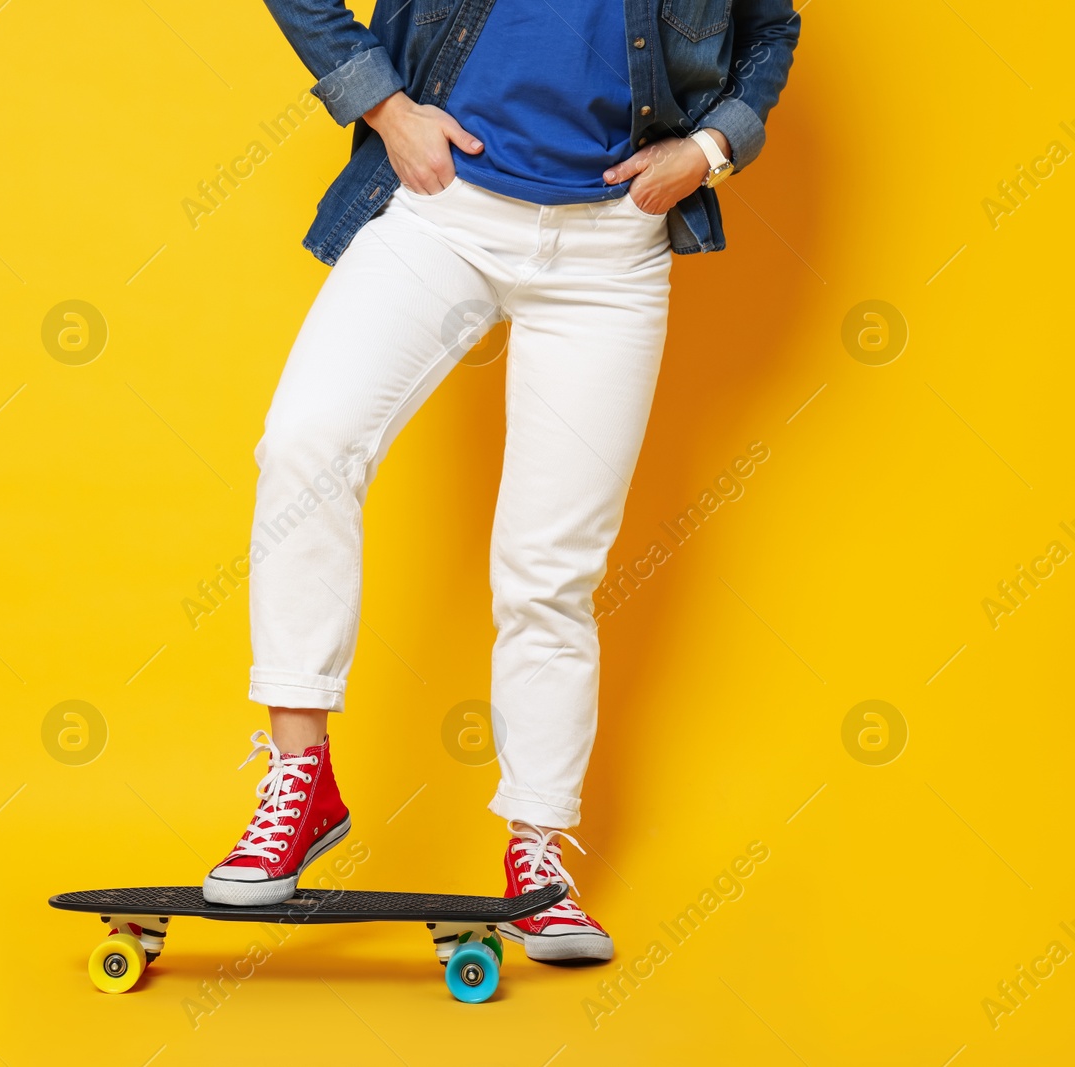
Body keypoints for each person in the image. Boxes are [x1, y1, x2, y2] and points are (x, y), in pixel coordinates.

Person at [202, 0, 800, 964]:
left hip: (613, 247)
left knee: (549, 566)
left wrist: (715, 147)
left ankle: (537, 853)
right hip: (445, 214)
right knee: (308, 443)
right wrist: (384, 106)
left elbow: (769, 27)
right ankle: (301, 777)